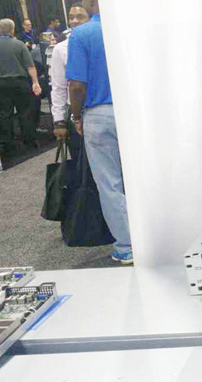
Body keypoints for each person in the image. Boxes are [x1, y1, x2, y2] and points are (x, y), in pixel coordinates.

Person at [66, 0, 133, 264]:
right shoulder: (132, 29)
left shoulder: (82, 34)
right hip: (137, 114)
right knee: (145, 178)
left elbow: (77, 85)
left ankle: (128, 246)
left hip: (100, 113)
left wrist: (76, 115)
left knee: (109, 183)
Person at [0, 18, 42, 155]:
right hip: (20, 83)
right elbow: (30, 66)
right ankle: (29, 141)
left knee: (4, 115)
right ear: (13, 29)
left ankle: (8, 145)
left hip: (0, 85)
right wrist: (35, 82)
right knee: (25, 112)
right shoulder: (20, 44)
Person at [51, 2, 89, 159]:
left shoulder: (103, 41)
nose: (74, 21)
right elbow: (58, 87)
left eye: (80, 17)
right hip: (76, 113)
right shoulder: (61, 49)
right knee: (80, 162)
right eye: (71, 17)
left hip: (101, 110)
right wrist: (59, 121)